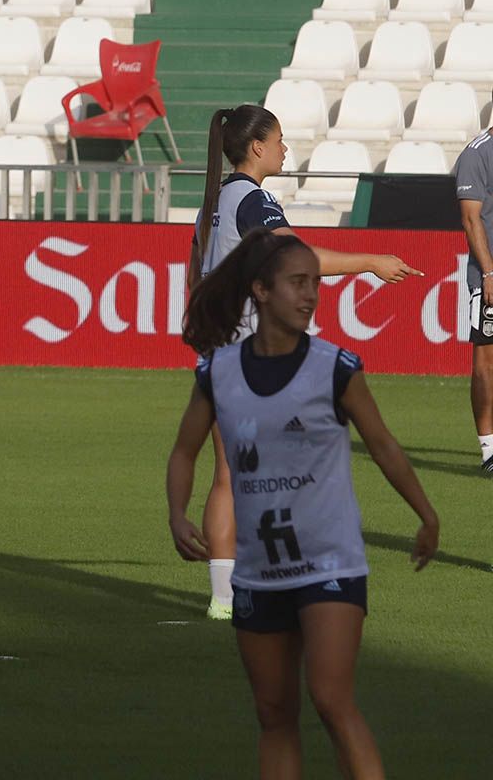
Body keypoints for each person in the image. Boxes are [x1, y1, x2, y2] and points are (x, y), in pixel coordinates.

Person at [167, 229, 439, 780]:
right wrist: (176, 512)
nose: (311, 294)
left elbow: (384, 446)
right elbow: (183, 451)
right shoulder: (218, 373)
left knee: (331, 700)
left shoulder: (335, 367)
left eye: (314, 283)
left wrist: (425, 513)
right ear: (261, 291)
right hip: (258, 572)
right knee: (274, 716)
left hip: (330, 564)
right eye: (298, 283)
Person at [190, 104, 422, 620]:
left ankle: (225, 599)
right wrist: (369, 262)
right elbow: (297, 260)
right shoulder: (254, 200)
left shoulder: (215, 201)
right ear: (256, 148)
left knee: (229, 476)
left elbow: (196, 275)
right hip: (255, 358)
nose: (284, 148)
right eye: (278, 140)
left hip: (219, 351)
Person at [454, 117, 493, 473]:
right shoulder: (477, 154)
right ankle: (489, 450)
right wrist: (489, 271)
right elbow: (471, 219)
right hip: (490, 276)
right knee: (486, 363)